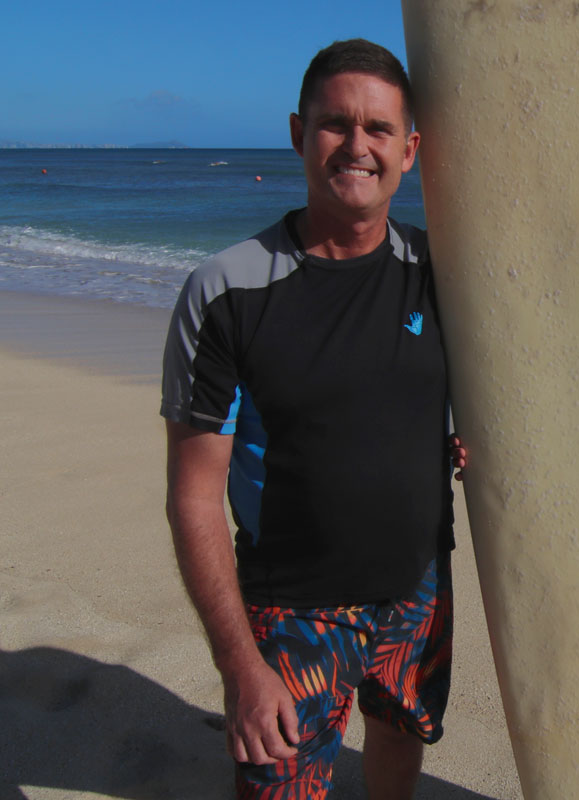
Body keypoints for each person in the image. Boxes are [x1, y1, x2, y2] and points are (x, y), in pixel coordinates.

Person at [161, 39, 465, 798]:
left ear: (410, 149)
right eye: (336, 124)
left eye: (378, 129)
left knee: (398, 743)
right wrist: (240, 668)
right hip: (290, 616)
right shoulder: (226, 292)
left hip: (417, 591)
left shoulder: (445, 275)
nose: (357, 146)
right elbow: (194, 495)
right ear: (299, 133)